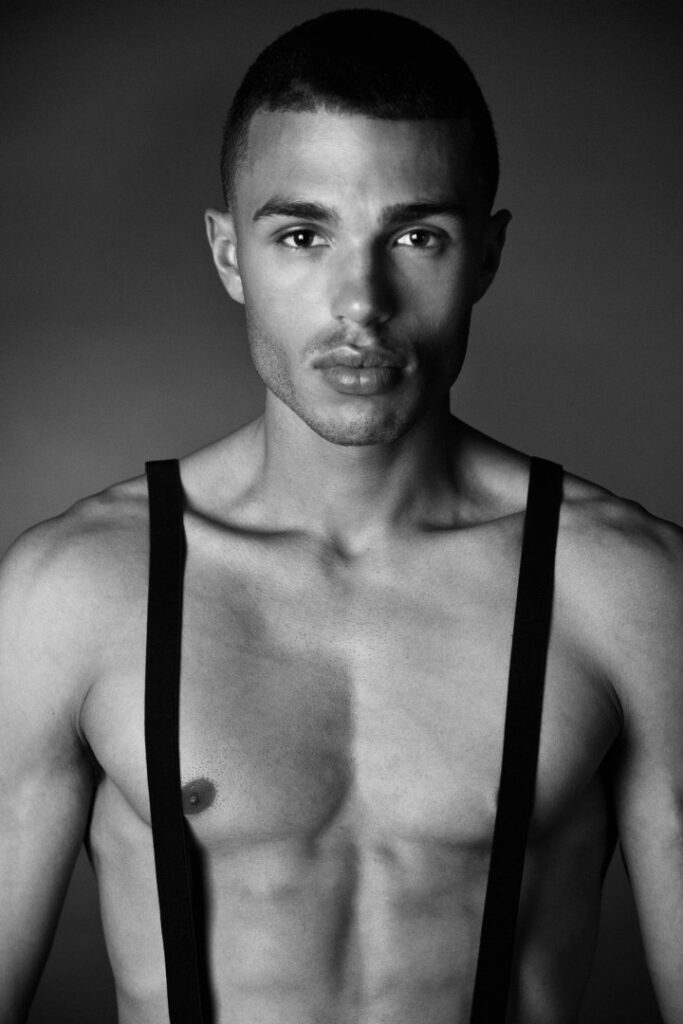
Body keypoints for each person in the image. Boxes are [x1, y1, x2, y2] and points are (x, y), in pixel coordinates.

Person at [1, 8, 681, 1024]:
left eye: (416, 236)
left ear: (486, 255)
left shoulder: (627, 589)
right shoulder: (75, 593)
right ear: (230, 254)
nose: (360, 301)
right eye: (301, 235)